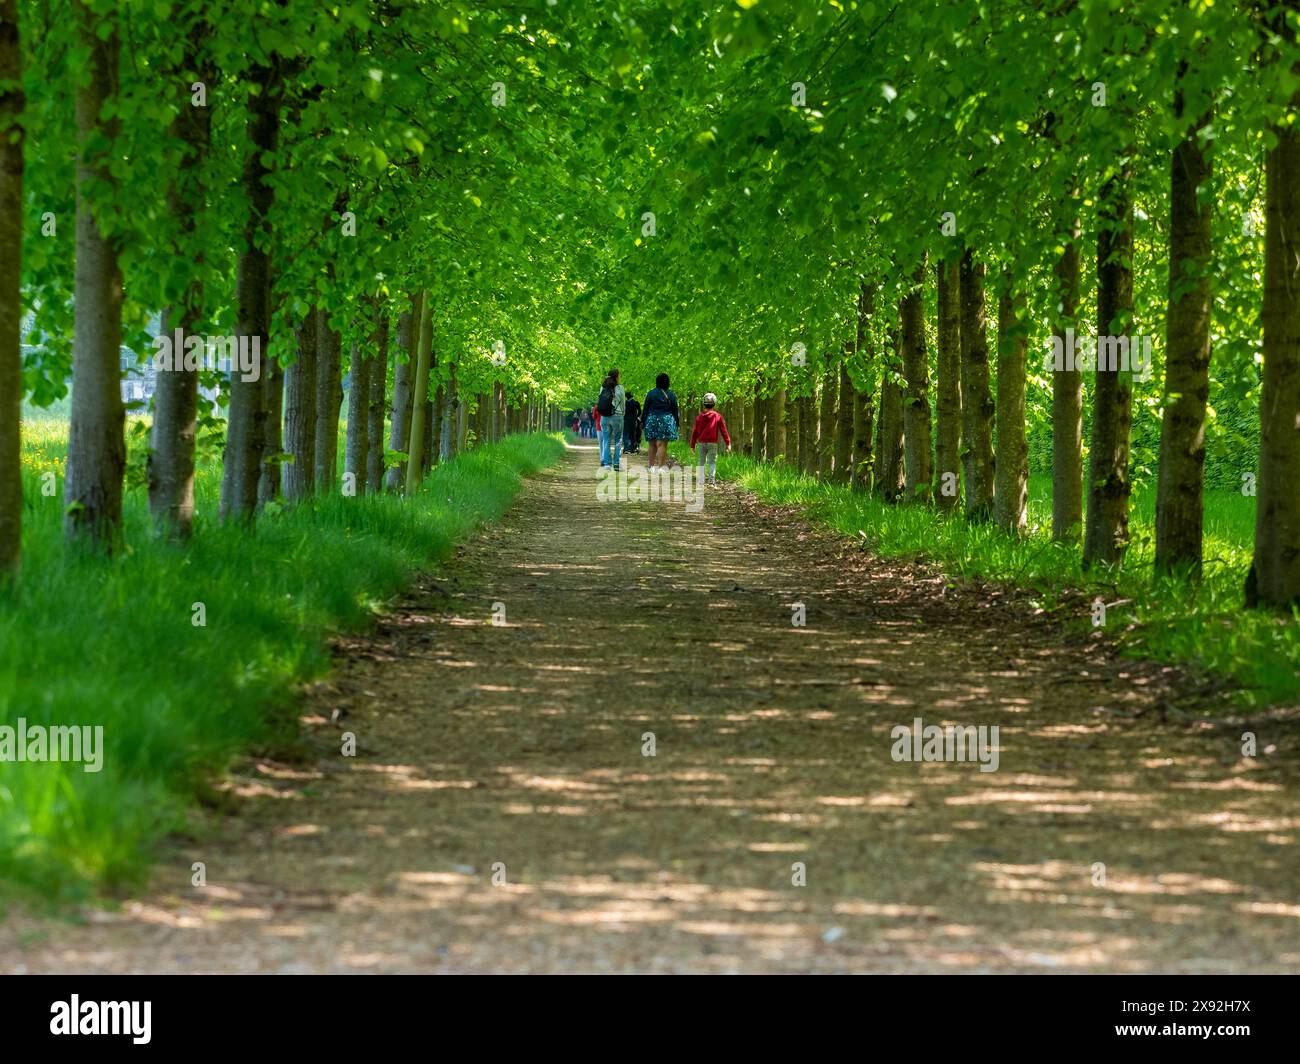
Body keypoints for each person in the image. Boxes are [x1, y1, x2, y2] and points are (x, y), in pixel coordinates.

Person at [690, 392, 731, 486]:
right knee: (712, 461)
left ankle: (700, 480)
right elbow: (723, 430)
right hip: (713, 443)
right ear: (714, 403)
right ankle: (711, 481)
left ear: (703, 403)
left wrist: (692, 445)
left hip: (701, 443)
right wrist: (728, 443)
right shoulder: (717, 416)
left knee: (701, 461)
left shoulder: (699, 417)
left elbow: (695, 432)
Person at [640, 373, 679, 469]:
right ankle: (661, 467)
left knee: (652, 444)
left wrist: (642, 421)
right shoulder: (671, 394)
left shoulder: (651, 393)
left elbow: (645, 409)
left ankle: (651, 466)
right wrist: (677, 423)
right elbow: (675, 410)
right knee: (662, 444)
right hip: (666, 421)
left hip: (652, 419)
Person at [596, 368, 626, 471]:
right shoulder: (620, 388)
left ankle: (607, 464)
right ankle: (617, 464)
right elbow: (622, 402)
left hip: (604, 417)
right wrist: (623, 414)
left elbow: (600, 401)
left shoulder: (603, 387)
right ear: (617, 377)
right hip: (617, 416)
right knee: (618, 440)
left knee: (606, 439)